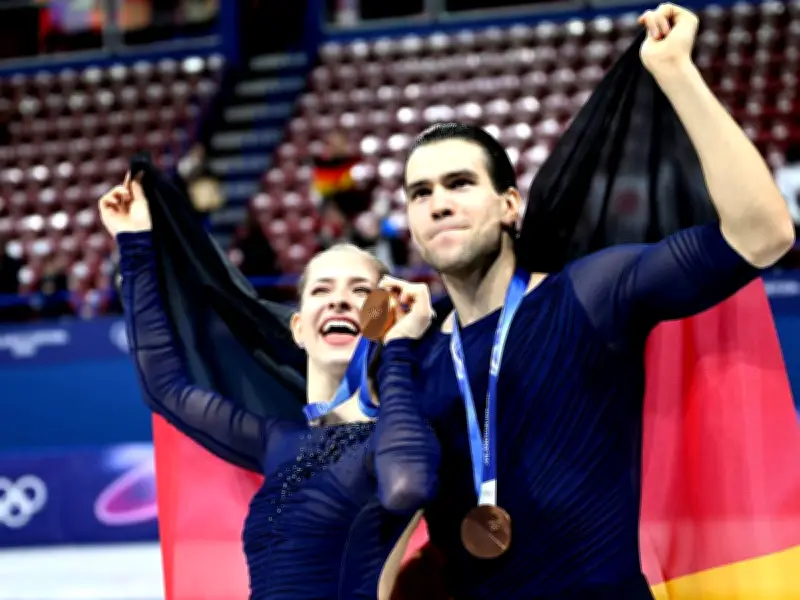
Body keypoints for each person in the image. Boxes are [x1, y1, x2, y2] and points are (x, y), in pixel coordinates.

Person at [392, 4, 795, 599]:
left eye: (460, 183)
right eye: (420, 192)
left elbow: (763, 235)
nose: (439, 203)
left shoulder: (588, 294)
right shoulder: (414, 358)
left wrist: (676, 73)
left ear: (509, 206)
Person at [97, 174, 441, 600]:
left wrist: (399, 347)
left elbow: (406, 483)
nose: (339, 300)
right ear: (298, 328)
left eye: (360, 292)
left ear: (384, 319)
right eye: (321, 289)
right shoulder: (278, 439)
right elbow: (165, 387)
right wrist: (134, 242)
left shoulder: (397, 433)